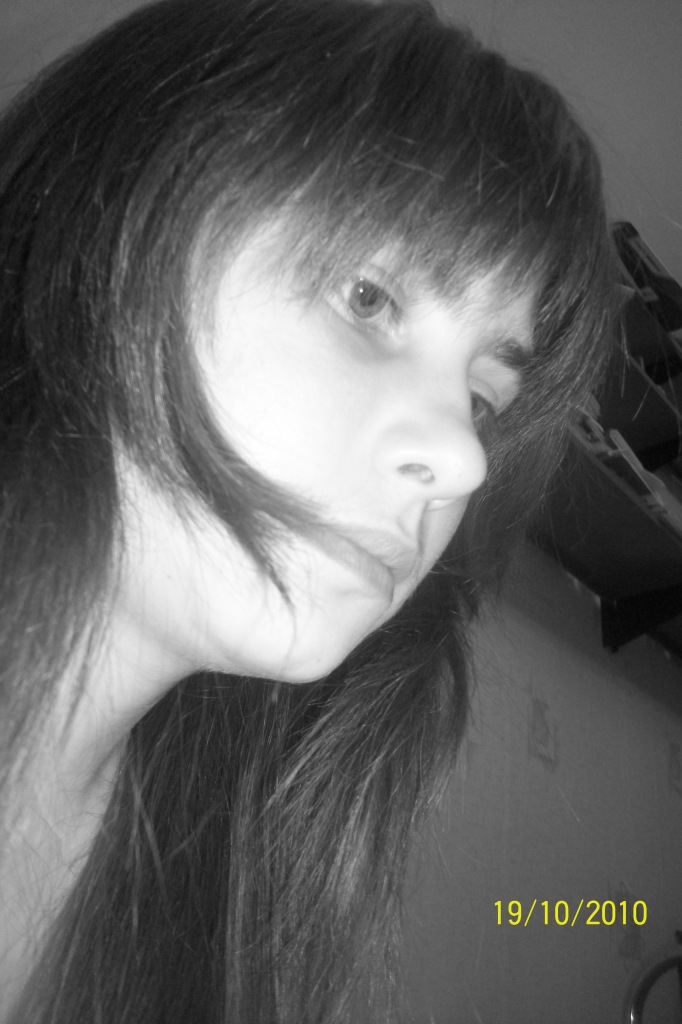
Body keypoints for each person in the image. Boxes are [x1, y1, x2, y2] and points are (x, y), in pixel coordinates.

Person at [0, 0, 616, 1019]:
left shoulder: (221, 884)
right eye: (369, 299)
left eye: (481, 399)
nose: (464, 459)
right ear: (117, 213)